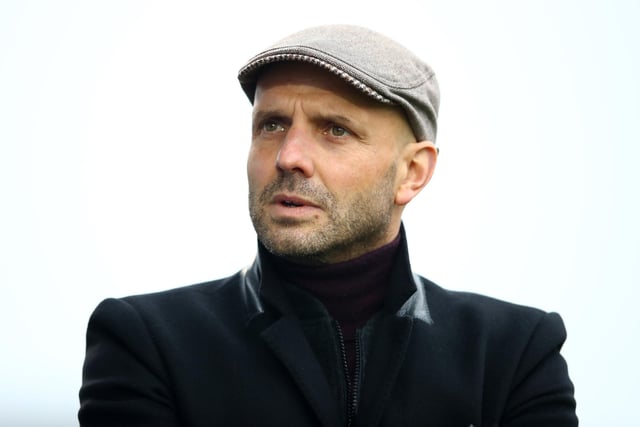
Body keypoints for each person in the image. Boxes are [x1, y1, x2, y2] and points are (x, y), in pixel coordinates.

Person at [78, 25, 578, 426]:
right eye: (271, 125)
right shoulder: (148, 344)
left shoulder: (514, 353)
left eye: (335, 130)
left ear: (412, 173)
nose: (289, 157)